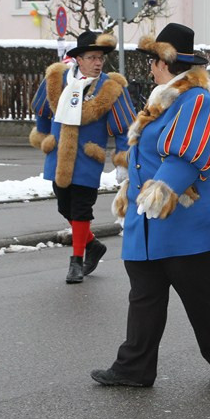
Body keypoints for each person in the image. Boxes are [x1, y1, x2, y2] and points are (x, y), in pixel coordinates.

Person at [92, 22, 210, 388]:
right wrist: (131, 185)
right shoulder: (164, 98)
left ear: (166, 62)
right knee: (144, 295)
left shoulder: (197, 100)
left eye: (153, 60)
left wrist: (159, 193)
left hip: (186, 220)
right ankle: (134, 368)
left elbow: (190, 154)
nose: (150, 67)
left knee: (200, 294)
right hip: (148, 219)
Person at [29, 30, 136, 284]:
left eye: (101, 58)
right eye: (92, 57)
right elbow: (41, 109)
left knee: (80, 208)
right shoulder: (57, 78)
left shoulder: (111, 86)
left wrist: (123, 159)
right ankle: (93, 245)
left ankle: (76, 261)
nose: (98, 62)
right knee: (64, 205)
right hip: (59, 155)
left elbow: (124, 126)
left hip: (88, 156)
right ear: (79, 59)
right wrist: (44, 136)